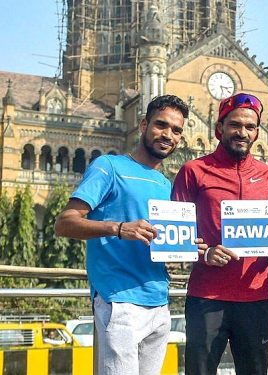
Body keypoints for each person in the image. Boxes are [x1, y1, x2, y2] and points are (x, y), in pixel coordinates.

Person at [55, 95, 200, 374]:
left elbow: (159, 241)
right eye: (161, 125)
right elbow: (65, 223)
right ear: (143, 124)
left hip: (159, 301)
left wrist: (189, 246)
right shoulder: (108, 167)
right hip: (119, 299)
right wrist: (119, 228)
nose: (168, 135)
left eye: (176, 130)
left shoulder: (164, 183)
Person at [171, 92, 268, 375]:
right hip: (206, 297)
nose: (242, 132)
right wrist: (206, 252)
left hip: (256, 297)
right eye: (235, 125)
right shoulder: (193, 171)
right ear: (219, 128)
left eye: (249, 127)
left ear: (257, 133)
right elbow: (175, 235)